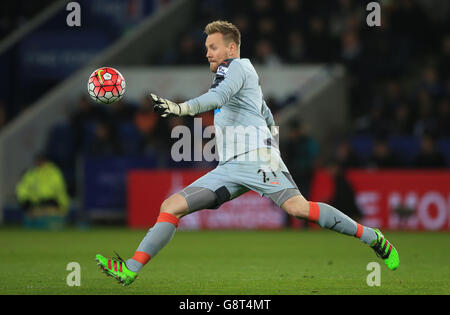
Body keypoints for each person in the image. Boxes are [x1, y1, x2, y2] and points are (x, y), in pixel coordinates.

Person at [96, 20, 399, 286]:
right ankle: (130, 269)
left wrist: (181, 109)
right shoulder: (236, 75)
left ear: (231, 48)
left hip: (256, 160)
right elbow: (264, 112)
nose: (207, 53)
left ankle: (372, 237)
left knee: (299, 210)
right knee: (172, 205)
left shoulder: (240, 67)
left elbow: (219, 96)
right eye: (206, 47)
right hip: (229, 167)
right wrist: (268, 134)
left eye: (213, 47)